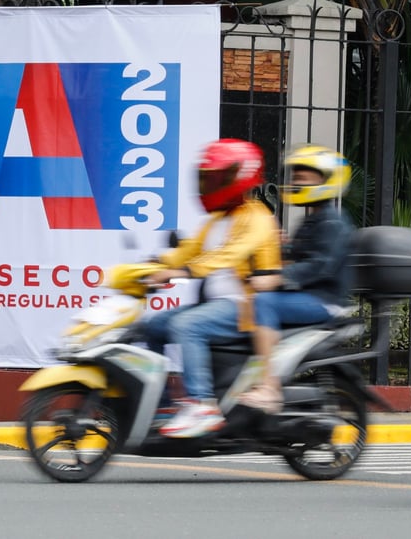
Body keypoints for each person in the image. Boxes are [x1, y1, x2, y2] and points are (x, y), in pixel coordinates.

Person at [141, 138, 282, 438]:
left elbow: (230, 253)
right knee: (151, 326)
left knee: (186, 325)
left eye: (218, 177)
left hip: (245, 307)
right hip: (215, 306)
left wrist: (185, 270)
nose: (210, 184)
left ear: (241, 177)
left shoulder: (258, 217)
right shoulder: (217, 219)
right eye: (207, 177)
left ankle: (202, 404)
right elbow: (188, 250)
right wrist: (150, 268)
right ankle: (161, 404)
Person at [238, 145, 355, 412]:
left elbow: (319, 266)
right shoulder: (313, 220)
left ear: (328, 180)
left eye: (306, 176)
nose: (297, 180)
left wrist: (275, 279)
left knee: (264, 303)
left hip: (325, 301)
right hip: (308, 296)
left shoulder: (333, 223)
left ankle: (269, 388)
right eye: (297, 175)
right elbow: (294, 257)